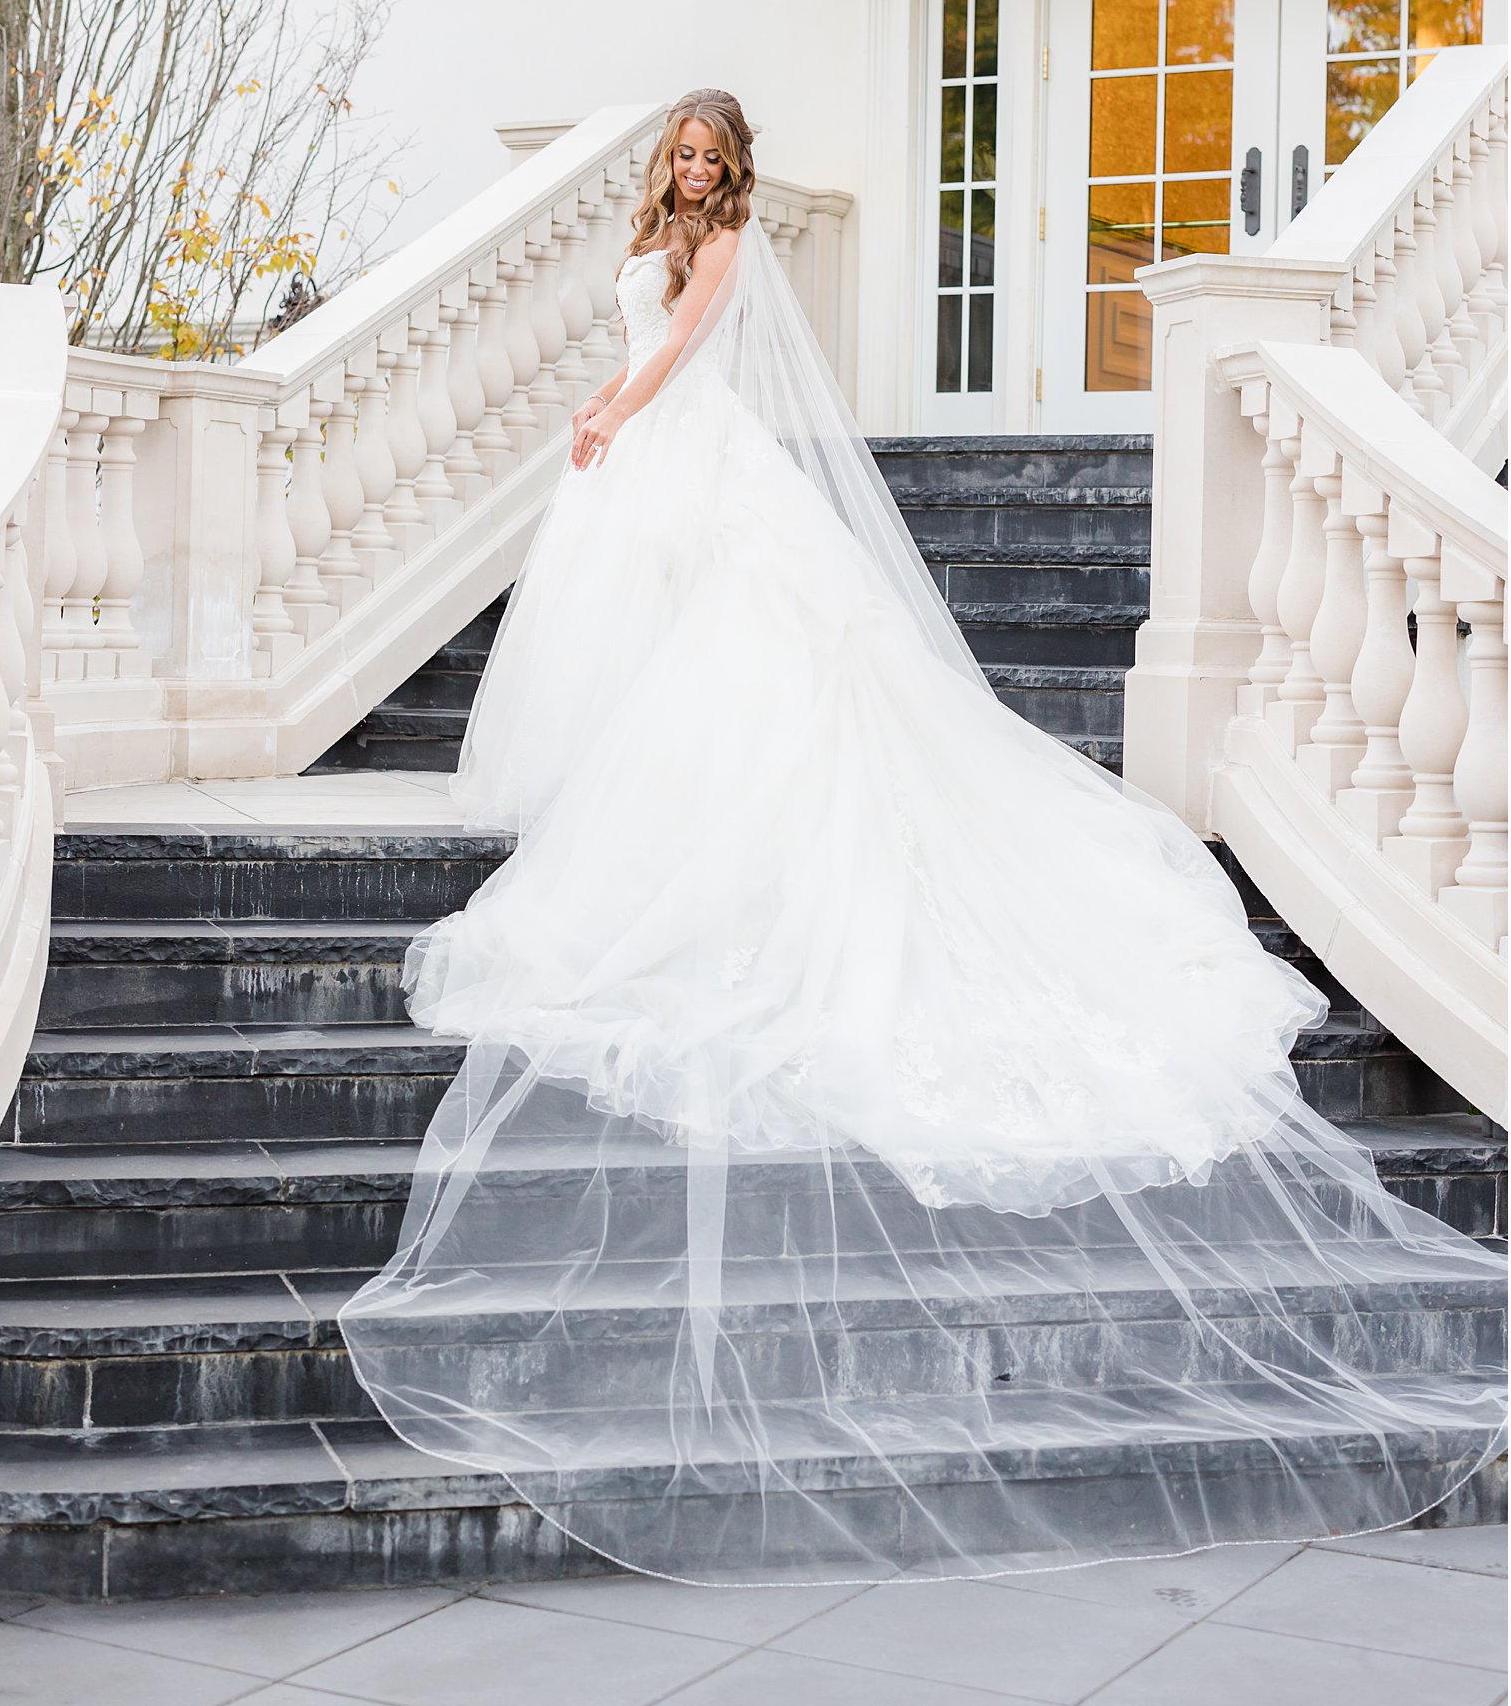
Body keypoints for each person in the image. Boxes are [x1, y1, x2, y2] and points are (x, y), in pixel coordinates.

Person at [342, 89, 1504, 1586]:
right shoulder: (658, 230)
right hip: (640, 458)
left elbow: (688, 347)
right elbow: (647, 326)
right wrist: (611, 410)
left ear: (735, 165)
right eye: (683, 157)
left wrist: (614, 413)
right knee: (655, 670)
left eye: (709, 156)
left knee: (754, 665)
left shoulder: (737, 244)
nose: (695, 172)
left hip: (683, 450)